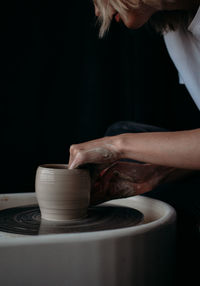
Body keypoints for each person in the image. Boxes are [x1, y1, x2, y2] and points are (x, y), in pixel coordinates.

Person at [69, 0, 200, 282]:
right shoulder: (174, 30)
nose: (95, 11)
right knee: (128, 162)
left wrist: (118, 144)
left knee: (122, 145)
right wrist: (157, 173)